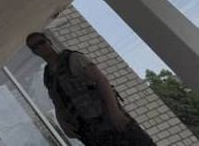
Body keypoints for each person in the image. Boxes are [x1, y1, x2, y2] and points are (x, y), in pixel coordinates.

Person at [26, 32, 155, 146]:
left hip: (109, 119)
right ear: (34, 52)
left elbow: (101, 81)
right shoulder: (48, 75)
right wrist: (63, 124)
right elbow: (58, 103)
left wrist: (115, 111)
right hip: (89, 131)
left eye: (41, 42)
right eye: (35, 47)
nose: (40, 47)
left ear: (49, 41)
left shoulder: (73, 59)